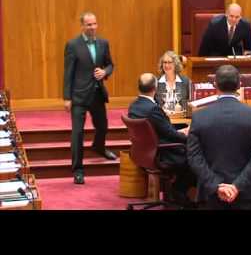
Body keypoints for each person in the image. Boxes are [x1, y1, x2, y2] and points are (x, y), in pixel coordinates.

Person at [187, 65, 251, 210]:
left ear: (214, 85)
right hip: (245, 194)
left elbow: (194, 157)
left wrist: (216, 186)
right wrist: (237, 186)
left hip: (210, 194)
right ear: (239, 85)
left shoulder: (199, 116)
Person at [63, 11, 117, 185]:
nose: (93, 27)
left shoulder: (103, 43)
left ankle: (99, 147)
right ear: (82, 26)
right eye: (89, 25)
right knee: (77, 133)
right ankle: (78, 170)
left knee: (103, 126)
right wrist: (67, 97)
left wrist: (104, 72)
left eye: (94, 24)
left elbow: (110, 64)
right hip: (78, 95)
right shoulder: (72, 45)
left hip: (97, 93)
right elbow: (68, 72)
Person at [128, 73, 196, 205]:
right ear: (155, 88)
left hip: (144, 153)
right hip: (162, 153)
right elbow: (171, 134)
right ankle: (179, 191)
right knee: (194, 155)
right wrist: (188, 135)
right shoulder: (153, 109)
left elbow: (163, 131)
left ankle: (173, 193)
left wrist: (179, 132)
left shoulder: (134, 106)